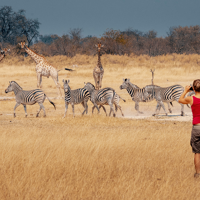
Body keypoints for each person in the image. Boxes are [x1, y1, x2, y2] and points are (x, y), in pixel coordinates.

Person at [179, 79, 200, 178]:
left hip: (196, 127)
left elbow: (180, 100)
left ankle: (197, 173)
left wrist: (185, 91)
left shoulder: (191, 99)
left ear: (193, 88)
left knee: (197, 152)